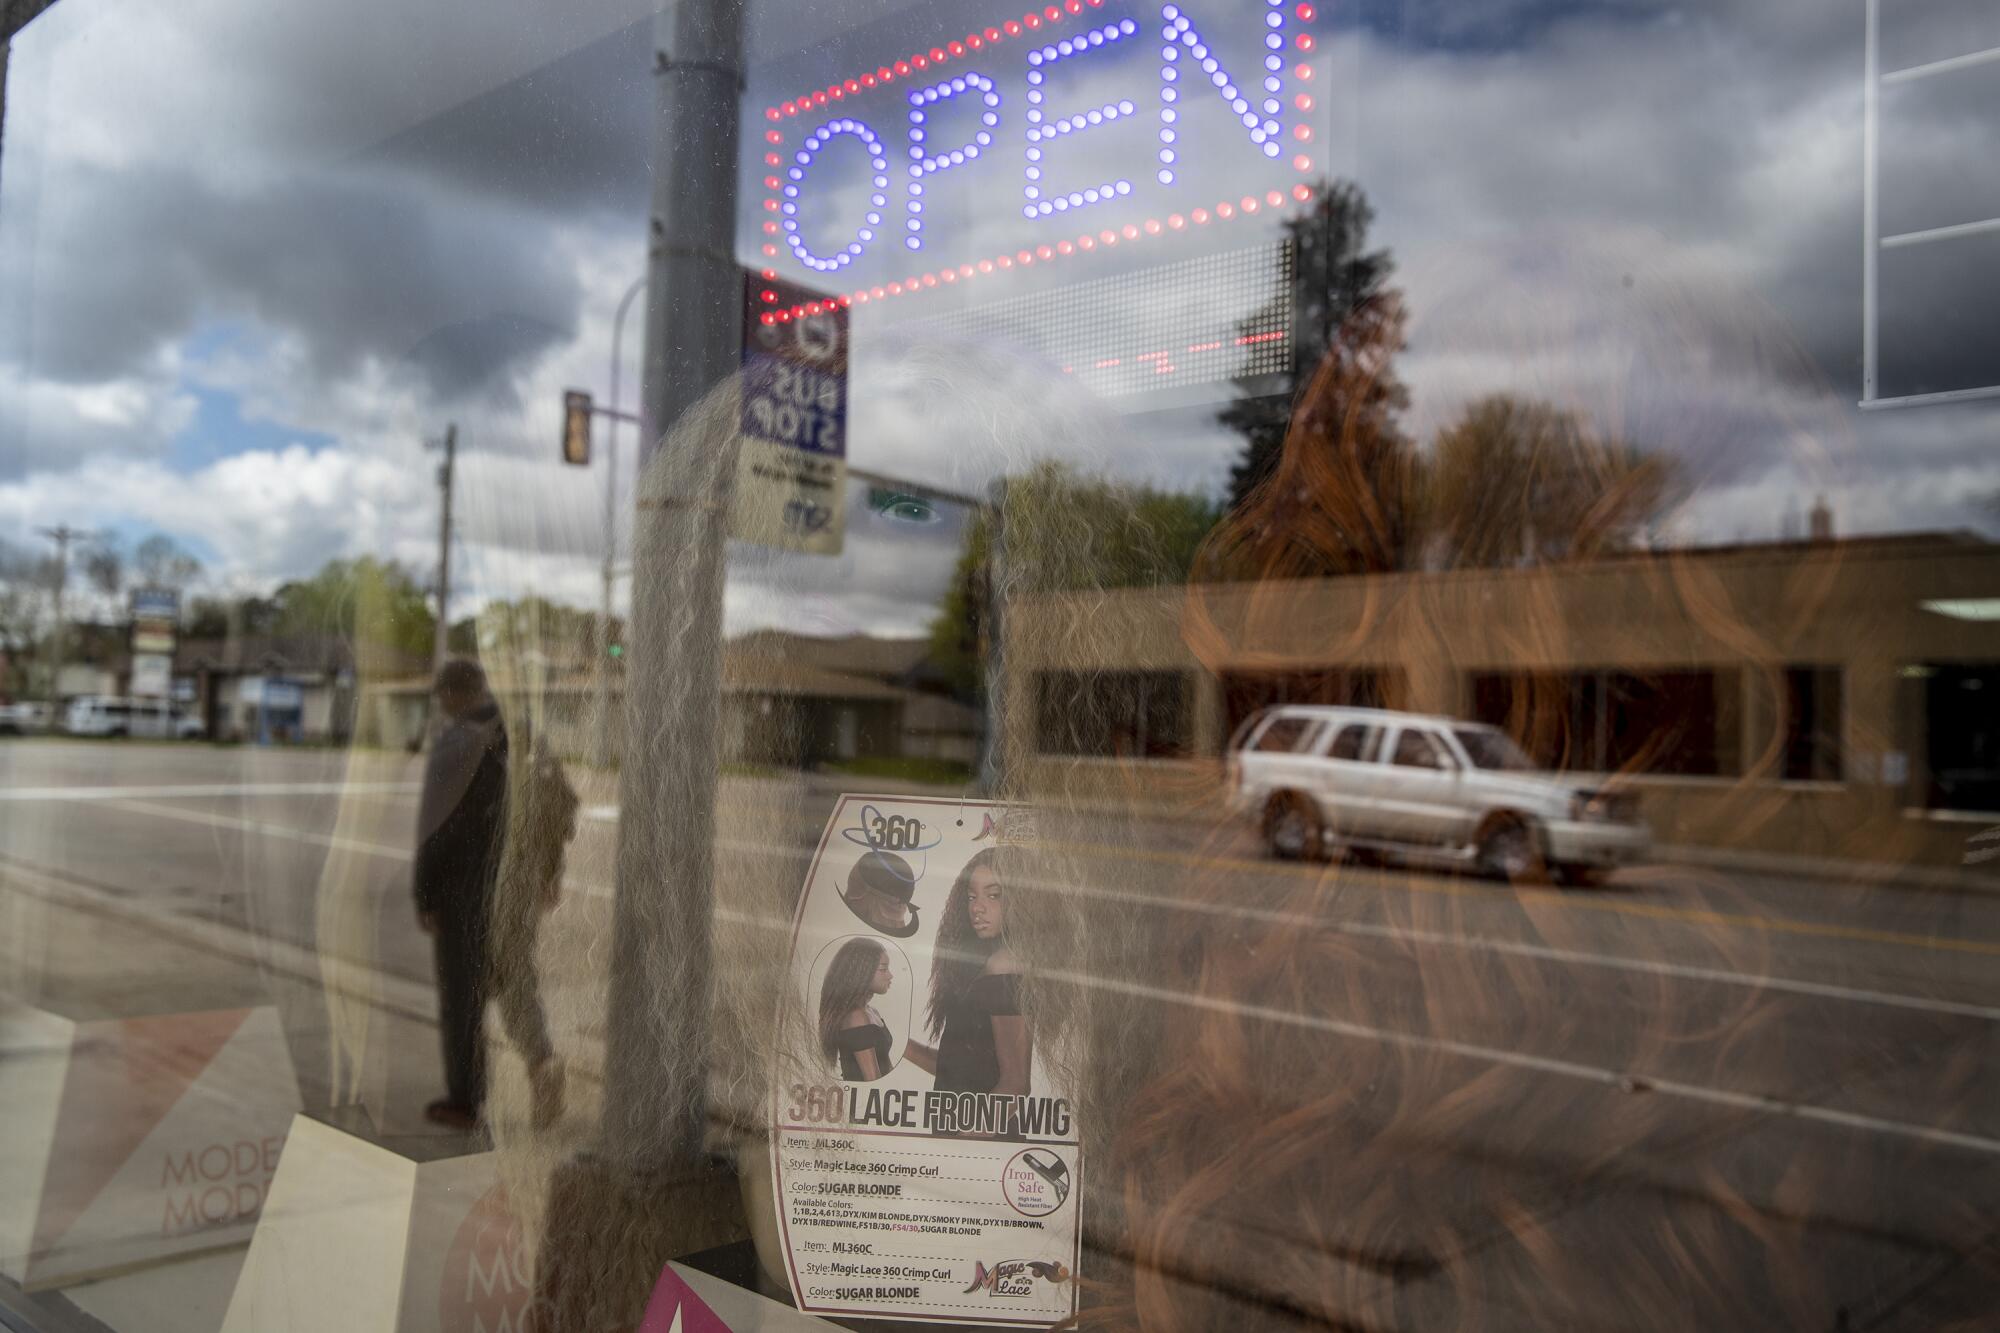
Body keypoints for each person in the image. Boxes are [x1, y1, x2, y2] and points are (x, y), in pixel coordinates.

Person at [412, 657, 508, 1130]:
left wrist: (423, 893)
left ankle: (466, 1099)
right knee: (502, 985)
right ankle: (529, 1067)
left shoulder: (456, 742)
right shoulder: (515, 733)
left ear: (453, 694)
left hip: (461, 888)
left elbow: (438, 825)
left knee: (460, 996)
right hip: (507, 883)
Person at [901, 848, 1028, 1097]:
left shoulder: (1005, 965)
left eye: (993, 895)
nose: (977, 908)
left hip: (979, 1130)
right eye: (971, 897)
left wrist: (971, 1134)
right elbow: (959, 1069)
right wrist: (899, 1045)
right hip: (958, 1123)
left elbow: (1015, 1083)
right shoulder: (984, 965)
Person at [818, 938, 896, 1081]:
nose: (890, 975)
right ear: (862, 972)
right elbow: (873, 1080)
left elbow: (887, 1068)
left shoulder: (872, 1012)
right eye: (883, 969)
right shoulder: (856, 1017)